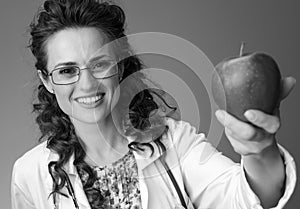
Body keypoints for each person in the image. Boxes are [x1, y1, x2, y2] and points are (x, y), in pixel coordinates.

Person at [11, 0, 296, 209]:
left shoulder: (175, 143)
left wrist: (259, 150)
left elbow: (249, 198)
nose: (87, 85)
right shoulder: (29, 174)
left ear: (121, 68)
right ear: (47, 80)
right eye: (66, 71)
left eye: (100, 64)